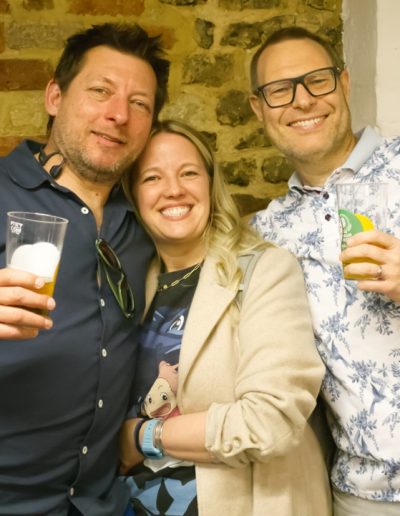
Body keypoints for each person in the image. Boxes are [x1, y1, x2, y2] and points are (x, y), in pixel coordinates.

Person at [118, 119, 332, 515]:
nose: (173, 189)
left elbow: (269, 421)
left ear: (210, 184)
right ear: (133, 194)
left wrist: (143, 436)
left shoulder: (265, 270)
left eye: (188, 173)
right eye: (152, 178)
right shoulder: (129, 282)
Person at [0, 23, 169, 515]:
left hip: (99, 504)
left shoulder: (147, 220)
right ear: (55, 96)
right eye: (100, 91)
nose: (118, 114)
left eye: (139, 103)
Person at [249, 26, 400, 516]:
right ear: (258, 109)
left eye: (317, 80)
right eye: (280, 90)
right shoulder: (267, 233)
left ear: (345, 83)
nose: (302, 100)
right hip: (362, 496)